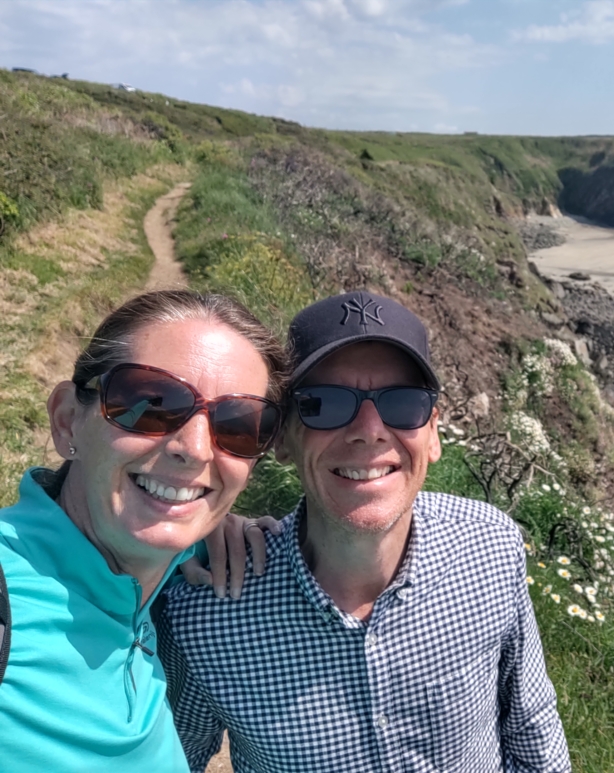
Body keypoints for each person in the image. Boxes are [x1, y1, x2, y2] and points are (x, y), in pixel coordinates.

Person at [161, 290, 571, 772]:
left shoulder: (490, 548)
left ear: (433, 433)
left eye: (403, 403)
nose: (370, 430)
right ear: (283, 438)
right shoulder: (204, 606)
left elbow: (530, 728)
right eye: (325, 403)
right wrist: (187, 533)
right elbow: (172, 759)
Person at [0, 290, 290, 772]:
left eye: (238, 426)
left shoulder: (151, 577)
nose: (195, 449)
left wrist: (210, 527)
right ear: (68, 419)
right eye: (150, 404)